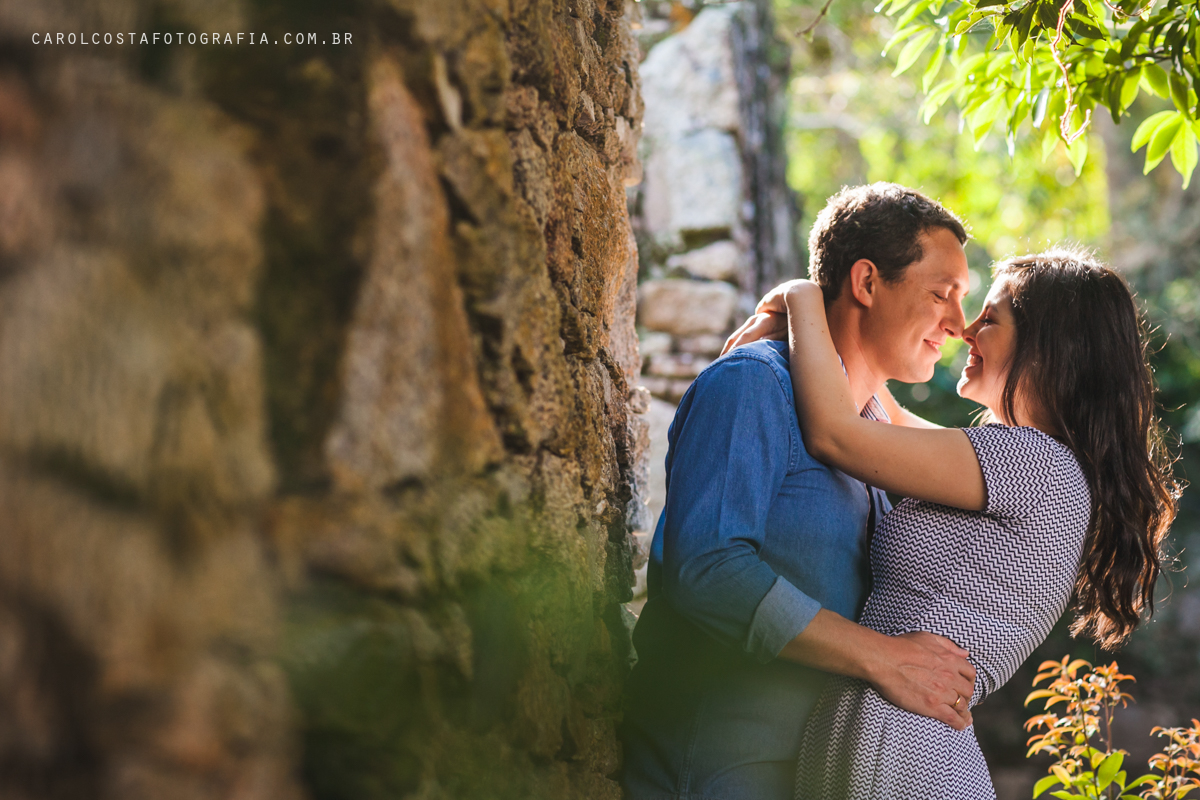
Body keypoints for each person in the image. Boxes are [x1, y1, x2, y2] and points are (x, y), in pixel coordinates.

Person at [725, 250, 1178, 799]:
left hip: (903, 749)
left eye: (991, 318)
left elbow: (838, 435)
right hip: (900, 743)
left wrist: (801, 296)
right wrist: (831, 329)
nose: (966, 330)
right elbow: (881, 417)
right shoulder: (1033, 464)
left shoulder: (1034, 463)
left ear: (1050, 349)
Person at [621, 184, 982, 800]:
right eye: (941, 294)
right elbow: (706, 569)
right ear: (866, 283)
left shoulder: (870, 434)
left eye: (964, 300)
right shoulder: (752, 386)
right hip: (712, 774)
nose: (957, 323)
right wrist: (885, 658)